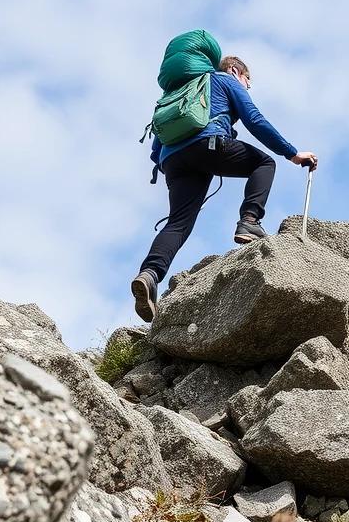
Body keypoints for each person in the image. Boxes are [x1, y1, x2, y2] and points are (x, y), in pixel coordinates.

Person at [131, 54, 317, 322]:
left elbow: (157, 143)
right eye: (247, 81)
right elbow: (255, 120)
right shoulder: (223, 80)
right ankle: (249, 221)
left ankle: (149, 275)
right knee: (264, 163)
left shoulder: (183, 91)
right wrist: (292, 153)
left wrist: (169, 165)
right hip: (207, 145)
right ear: (234, 70)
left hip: (172, 161)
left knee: (178, 224)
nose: (247, 87)